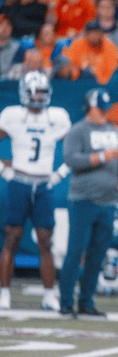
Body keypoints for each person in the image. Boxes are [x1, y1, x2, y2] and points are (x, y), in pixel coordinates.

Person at [60, 88, 118, 317]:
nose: (103, 113)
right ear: (89, 108)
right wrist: (102, 156)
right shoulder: (77, 131)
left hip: (108, 201)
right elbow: (71, 160)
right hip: (84, 200)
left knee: (98, 254)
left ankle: (86, 301)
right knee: (76, 252)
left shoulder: (114, 130)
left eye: (105, 109)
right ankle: (65, 301)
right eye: (99, 109)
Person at [0, 71, 71, 311]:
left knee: (45, 241)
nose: (40, 97)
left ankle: (49, 294)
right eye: (36, 92)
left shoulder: (57, 117)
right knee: (11, 238)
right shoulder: (12, 116)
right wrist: (4, 170)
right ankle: (4, 293)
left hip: (43, 185)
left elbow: (73, 150)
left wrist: (59, 174)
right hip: (19, 182)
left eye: (43, 92)